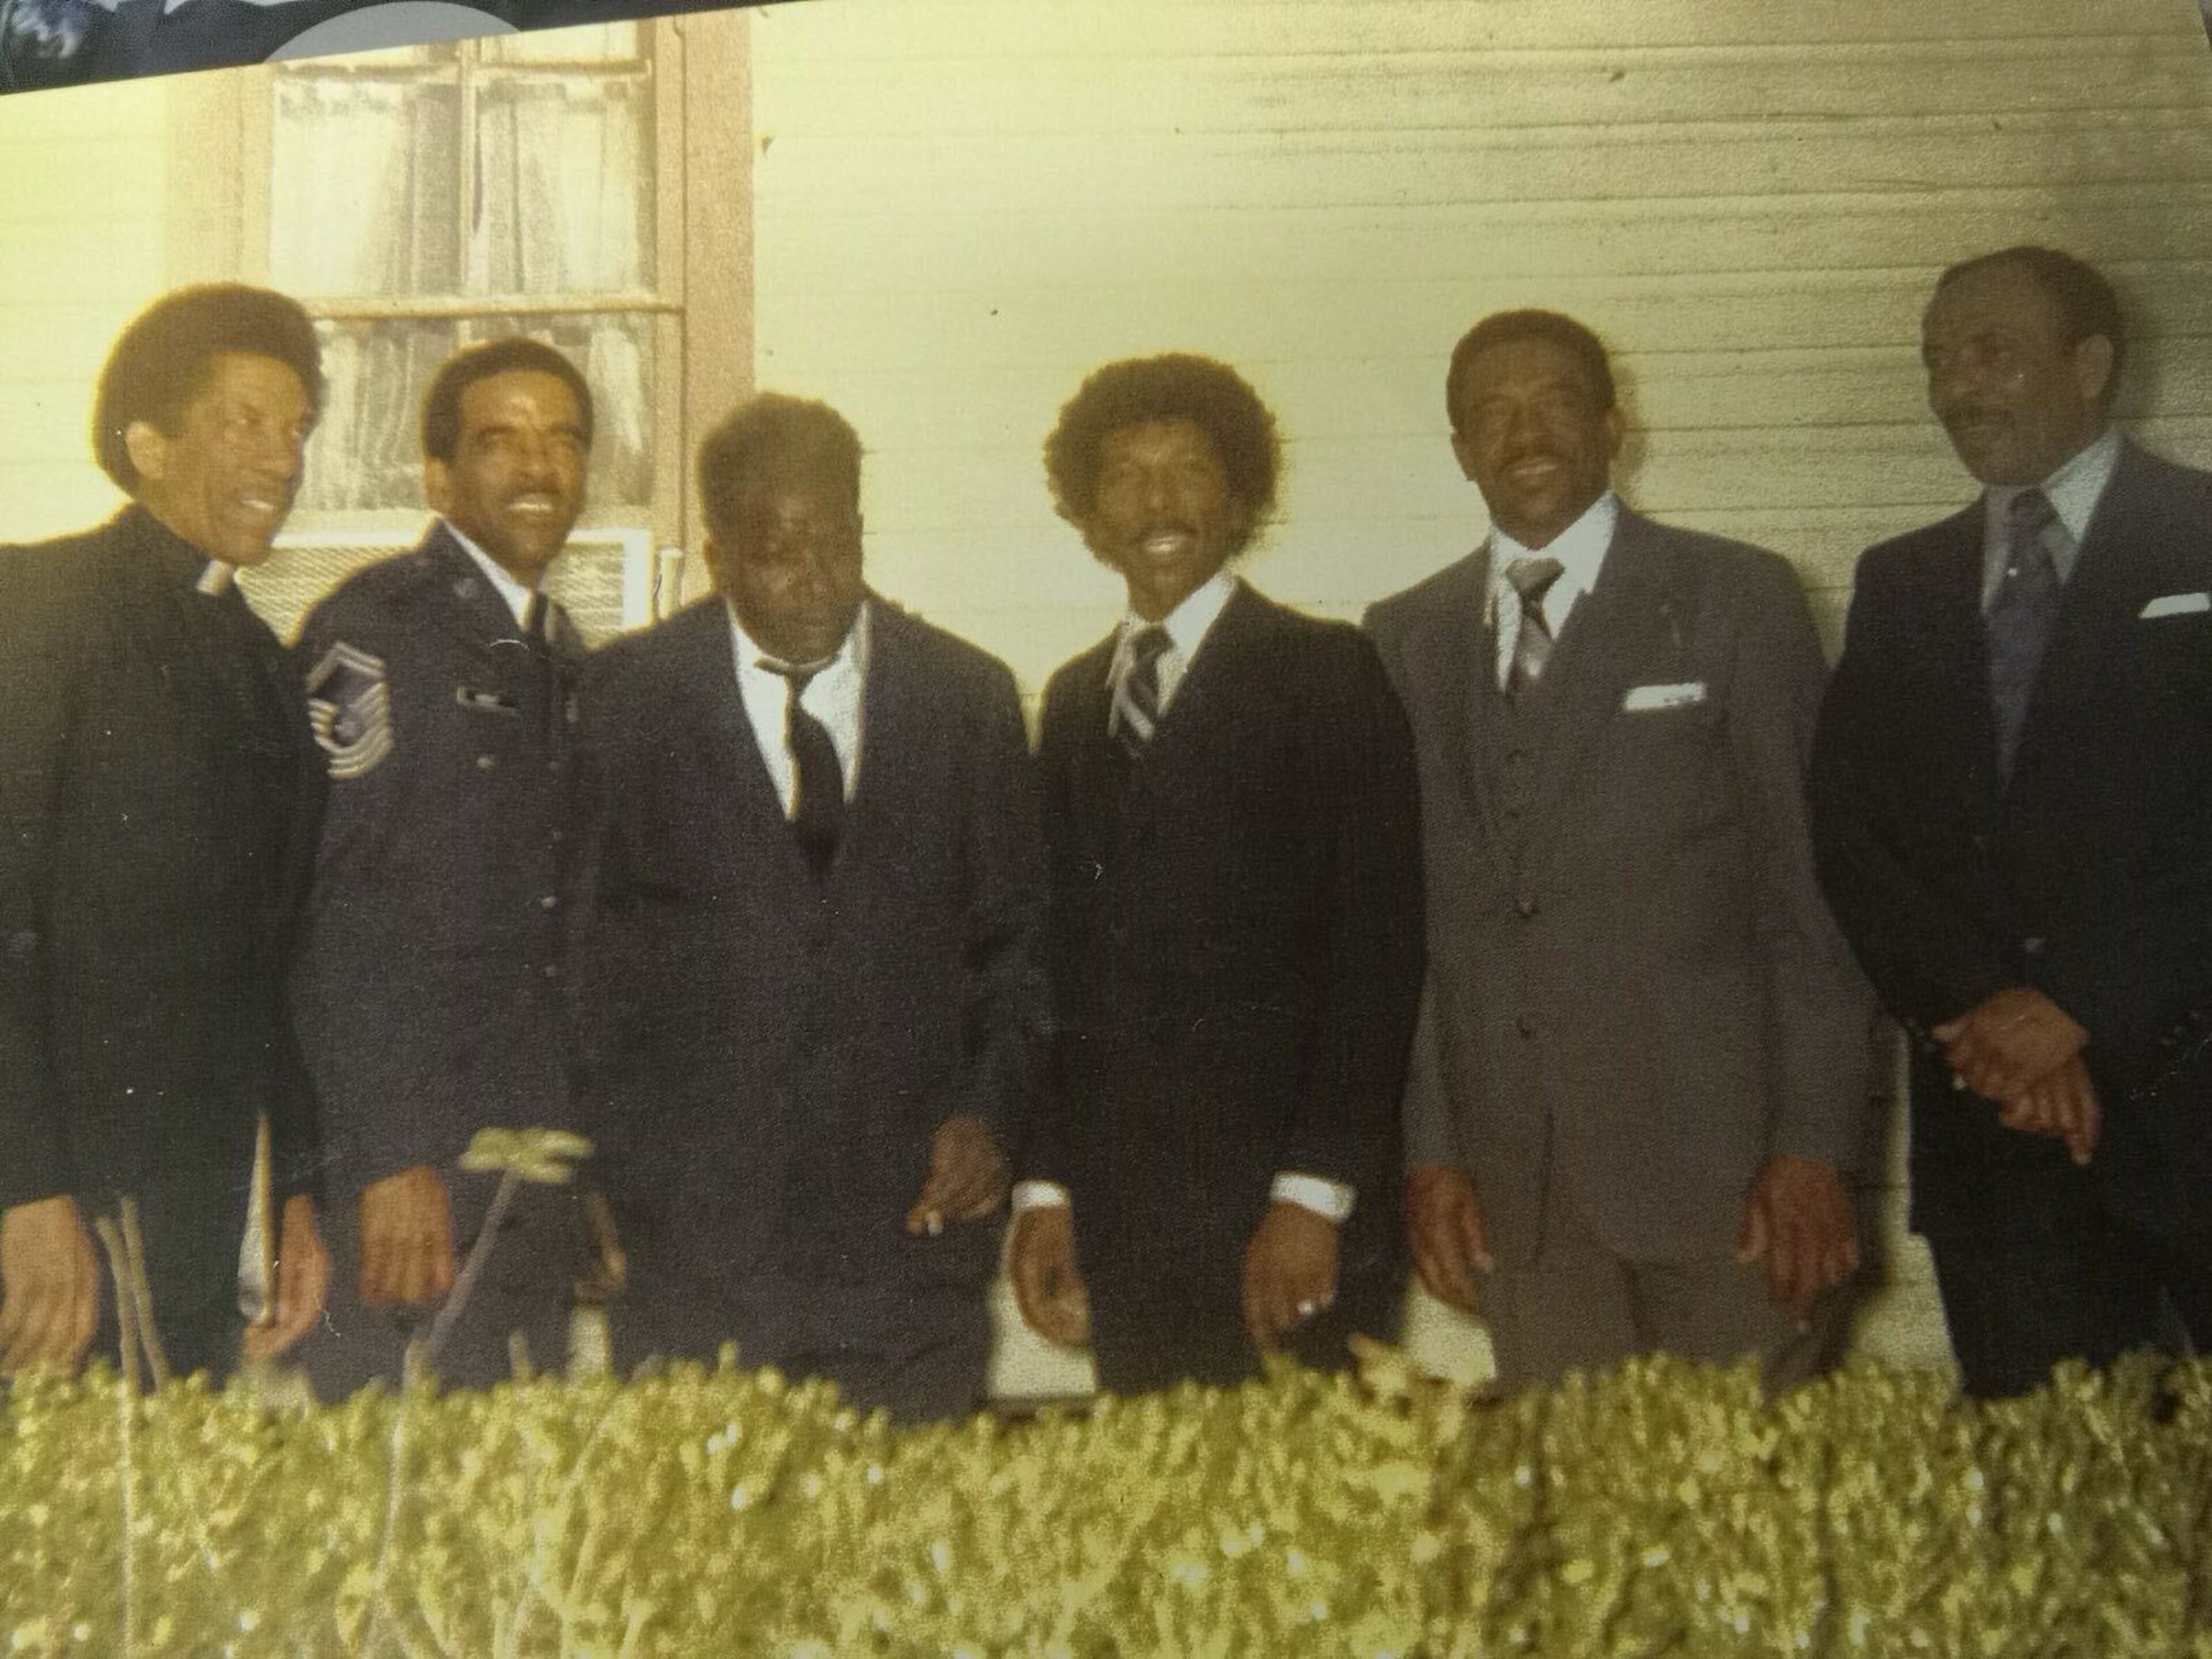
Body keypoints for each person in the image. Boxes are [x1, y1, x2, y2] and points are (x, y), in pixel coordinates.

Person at [1365, 309, 1877, 1393]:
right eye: (1490, 415)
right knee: (1581, 1529)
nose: (1526, 434)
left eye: (1554, 401)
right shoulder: (1406, 635)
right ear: (1459, 449)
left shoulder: (1736, 598)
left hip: (1730, 1181)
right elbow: (1416, 934)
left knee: (1749, 1515)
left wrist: (1815, 1151)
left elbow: (1814, 903)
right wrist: (1434, 1152)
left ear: (1613, 420)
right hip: (1522, 1195)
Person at [573, 392, 1050, 1421]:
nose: (815, 574)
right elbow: (588, 967)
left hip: (908, 1256)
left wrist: (989, 1114)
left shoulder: (966, 699)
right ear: (716, 555)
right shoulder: (623, 703)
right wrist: (595, 1175)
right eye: (777, 546)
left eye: (837, 541)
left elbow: (1020, 950)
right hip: (694, 1262)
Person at [1809, 246, 2212, 1399]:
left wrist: (2082, 1006)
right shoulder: (1904, 581)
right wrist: (1991, 1019)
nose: (1956, 389)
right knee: (2045, 1528)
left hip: (2194, 1106)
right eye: (1938, 359)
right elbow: (1853, 837)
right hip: (2001, 1150)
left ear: (2093, 365)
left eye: (1990, 351)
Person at [1006, 353, 1423, 1393]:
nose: (1157, 501)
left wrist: (1312, 1196)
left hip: (1285, 1225)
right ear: (1088, 517)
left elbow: (1375, 958)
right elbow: (1053, 967)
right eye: (1124, 476)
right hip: (1128, 1226)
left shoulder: (1326, 671)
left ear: (1238, 497)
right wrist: (1047, 1190)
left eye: (1188, 469)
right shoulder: (1069, 703)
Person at [0, 283, 329, 1381]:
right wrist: (24, 1189)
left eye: (296, 430)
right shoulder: (34, 608)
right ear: (146, 441)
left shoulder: (267, 670)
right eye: (245, 421)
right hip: (46, 1231)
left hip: (194, 1239)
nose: (282, 460)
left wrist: (292, 1194)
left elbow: (276, 963)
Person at [291, 337, 596, 1394]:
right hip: (415, 1179)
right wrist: (384, 1157)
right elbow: (336, 915)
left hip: (530, 1164)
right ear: (437, 476)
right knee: (402, 1498)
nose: (538, 468)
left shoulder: (564, 652)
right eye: (499, 441)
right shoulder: (376, 630)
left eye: (562, 440)